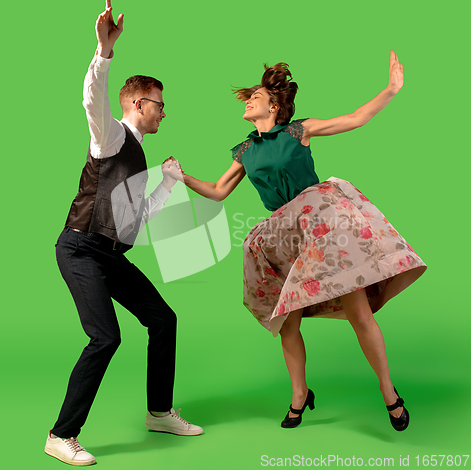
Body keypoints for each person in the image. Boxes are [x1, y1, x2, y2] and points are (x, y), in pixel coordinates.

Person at [182, 52, 426, 432]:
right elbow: (216, 191)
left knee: (360, 315)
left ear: (274, 106)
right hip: (284, 235)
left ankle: (389, 392)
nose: (249, 100)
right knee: (288, 324)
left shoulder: (299, 131)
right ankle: (300, 395)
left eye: (256, 96)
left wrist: (391, 89)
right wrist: (180, 175)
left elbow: (355, 118)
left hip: (321, 230)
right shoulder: (246, 151)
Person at [45, 0, 202, 467]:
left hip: (111, 255)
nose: (163, 113)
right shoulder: (111, 135)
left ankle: (159, 411)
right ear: (139, 103)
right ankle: (60, 435)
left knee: (163, 319)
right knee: (105, 337)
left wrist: (169, 183)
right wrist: (104, 52)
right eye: (160, 105)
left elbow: (135, 219)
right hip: (80, 249)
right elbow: (92, 98)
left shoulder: (138, 155)